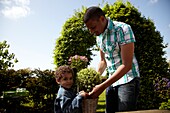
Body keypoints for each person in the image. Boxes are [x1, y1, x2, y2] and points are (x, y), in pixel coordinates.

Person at [83, 6, 140, 112]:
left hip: (127, 79)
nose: (91, 31)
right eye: (89, 29)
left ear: (102, 19)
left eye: (93, 27)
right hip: (112, 81)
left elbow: (127, 65)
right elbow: (102, 61)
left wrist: (102, 86)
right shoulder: (99, 37)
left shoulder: (123, 29)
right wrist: (95, 79)